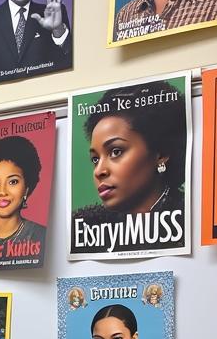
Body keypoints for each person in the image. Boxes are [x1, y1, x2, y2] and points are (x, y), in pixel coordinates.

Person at [70, 80, 187, 254]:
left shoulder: (191, 217)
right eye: (95, 159)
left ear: (160, 154)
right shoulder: (84, 227)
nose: (99, 171)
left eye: (116, 151)